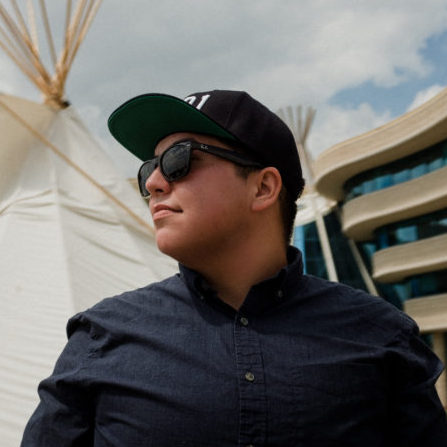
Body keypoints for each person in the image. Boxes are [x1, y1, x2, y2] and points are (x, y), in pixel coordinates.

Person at [21, 90, 447, 446]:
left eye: (179, 160)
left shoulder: (382, 335)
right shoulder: (100, 335)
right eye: (150, 168)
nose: (153, 184)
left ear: (263, 187)